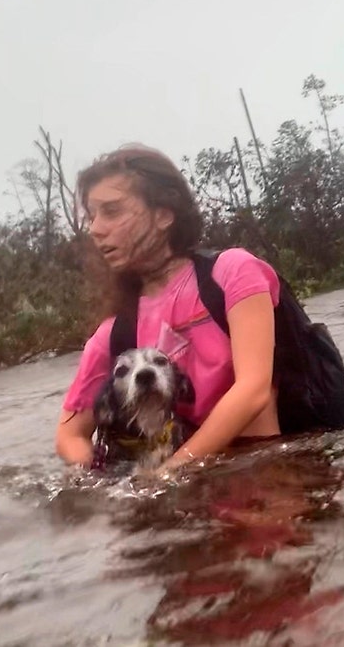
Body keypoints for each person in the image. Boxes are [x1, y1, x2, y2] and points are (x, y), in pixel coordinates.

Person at [55, 143, 281, 474]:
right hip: (186, 481)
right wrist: (108, 477)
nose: (95, 228)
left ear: (164, 214)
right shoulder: (116, 332)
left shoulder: (232, 273)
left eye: (112, 211)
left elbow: (253, 390)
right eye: (92, 216)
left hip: (267, 464)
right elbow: (68, 435)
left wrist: (170, 471)